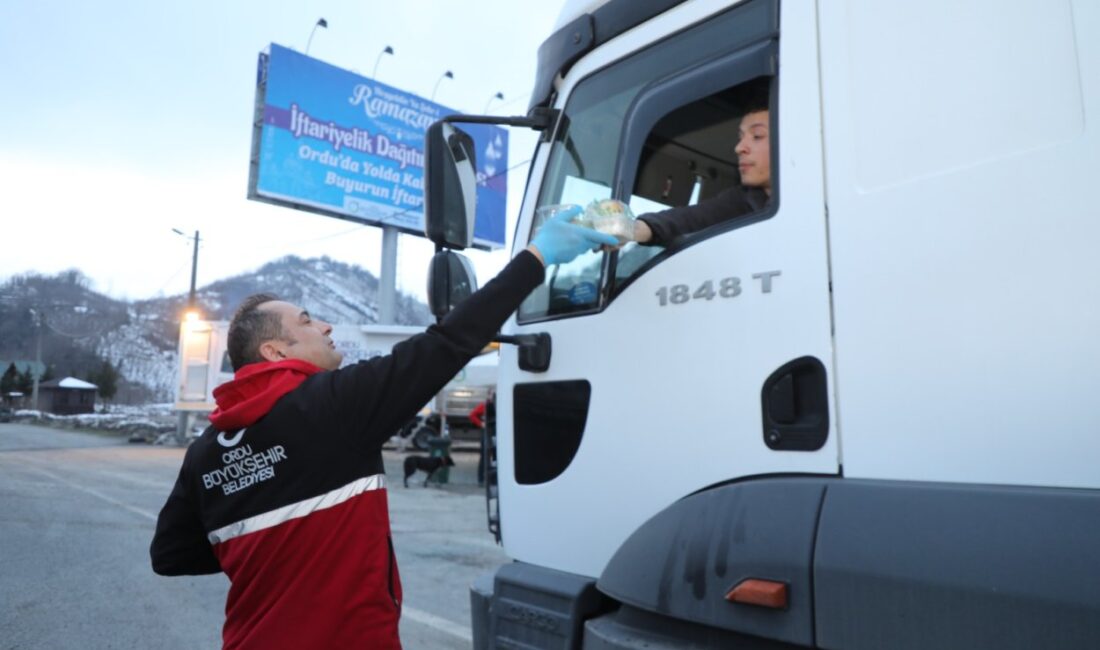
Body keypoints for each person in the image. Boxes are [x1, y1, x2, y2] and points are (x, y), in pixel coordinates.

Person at [149, 208, 616, 649]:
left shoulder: (207, 451)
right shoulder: (333, 405)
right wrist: (537, 258)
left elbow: (170, 555)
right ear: (274, 353)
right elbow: (448, 341)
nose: (328, 326)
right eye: (309, 322)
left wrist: (263, 553)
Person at [632, 103, 772, 246]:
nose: (739, 148)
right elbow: (689, 219)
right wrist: (631, 229)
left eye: (757, 136)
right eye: (740, 137)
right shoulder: (744, 199)